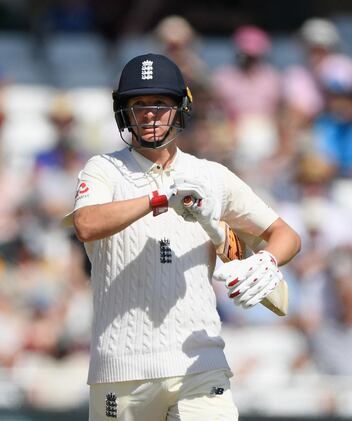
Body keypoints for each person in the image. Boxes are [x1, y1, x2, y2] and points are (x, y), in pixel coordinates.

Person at [65, 54, 301, 420]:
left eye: (160, 104)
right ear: (123, 112)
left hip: (199, 362)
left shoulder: (212, 176)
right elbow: (86, 224)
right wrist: (158, 199)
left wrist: (265, 260)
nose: (149, 114)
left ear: (179, 108)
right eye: (138, 105)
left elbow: (284, 234)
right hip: (122, 368)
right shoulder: (104, 169)